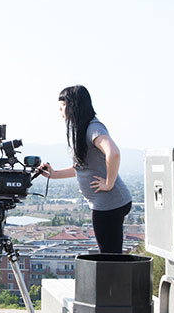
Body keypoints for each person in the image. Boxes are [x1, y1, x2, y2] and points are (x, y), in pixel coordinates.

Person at [38, 85, 133, 253]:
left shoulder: (93, 128)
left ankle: (114, 280)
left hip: (109, 203)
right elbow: (83, 167)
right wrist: (54, 174)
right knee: (110, 253)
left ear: (74, 106)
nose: (60, 111)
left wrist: (109, 184)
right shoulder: (82, 130)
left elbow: (114, 153)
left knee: (110, 255)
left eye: (63, 105)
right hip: (106, 203)